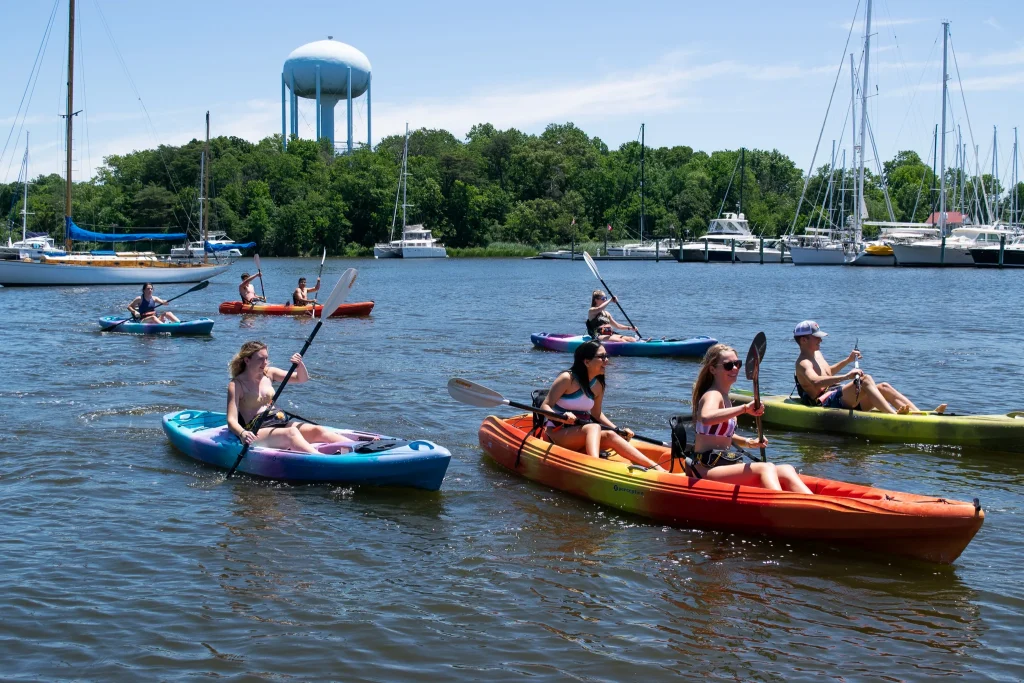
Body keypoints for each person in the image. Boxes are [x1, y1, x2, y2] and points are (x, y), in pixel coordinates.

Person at [691, 343, 813, 493]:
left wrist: (749, 442)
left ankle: (814, 505)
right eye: (728, 365)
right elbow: (705, 417)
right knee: (765, 467)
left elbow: (722, 433)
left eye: (737, 364)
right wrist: (744, 409)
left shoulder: (725, 397)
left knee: (786, 469)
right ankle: (781, 506)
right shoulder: (713, 395)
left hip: (724, 464)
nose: (735, 368)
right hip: (705, 470)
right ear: (712, 369)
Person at [539, 340, 665, 471]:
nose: (607, 360)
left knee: (610, 434)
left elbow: (596, 414)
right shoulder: (567, 379)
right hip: (556, 434)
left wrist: (618, 430)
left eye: (607, 356)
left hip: (580, 435)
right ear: (586, 361)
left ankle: (656, 468)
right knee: (593, 427)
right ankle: (595, 465)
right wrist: (561, 416)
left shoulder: (598, 385)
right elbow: (545, 406)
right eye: (601, 357)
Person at [226, 340, 354, 453]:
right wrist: (243, 434)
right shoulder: (236, 385)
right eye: (260, 359)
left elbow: (301, 379)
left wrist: (299, 365)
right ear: (247, 360)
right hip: (258, 431)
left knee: (318, 430)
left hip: (280, 422)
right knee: (291, 433)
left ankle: (360, 446)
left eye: (266, 358)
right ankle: (323, 459)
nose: (265, 363)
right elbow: (231, 420)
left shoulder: (269, 373)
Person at [792, 320, 944, 415]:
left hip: (839, 397)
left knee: (884, 387)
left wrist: (848, 360)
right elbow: (816, 382)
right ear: (804, 340)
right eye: (816, 337)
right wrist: (847, 376)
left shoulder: (816, 354)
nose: (820, 340)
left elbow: (827, 373)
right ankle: (894, 417)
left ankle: (920, 415)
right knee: (865, 380)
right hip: (825, 403)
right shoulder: (803, 362)